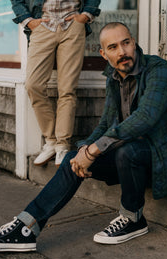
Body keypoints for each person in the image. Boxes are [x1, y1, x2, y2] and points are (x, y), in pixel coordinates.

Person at [0, 22, 167, 252]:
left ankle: (133, 218)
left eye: (126, 43)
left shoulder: (159, 70)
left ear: (134, 42)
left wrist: (94, 150)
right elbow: (106, 124)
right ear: (103, 53)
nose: (122, 52)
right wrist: (84, 150)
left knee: (128, 151)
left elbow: (145, 117)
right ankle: (26, 227)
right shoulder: (114, 77)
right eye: (113, 47)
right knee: (71, 159)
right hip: (132, 159)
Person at [10, 0, 101, 166]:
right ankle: (51, 140)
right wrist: (28, 20)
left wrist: (85, 15)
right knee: (33, 85)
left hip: (73, 25)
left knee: (67, 89)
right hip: (42, 24)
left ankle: (62, 145)